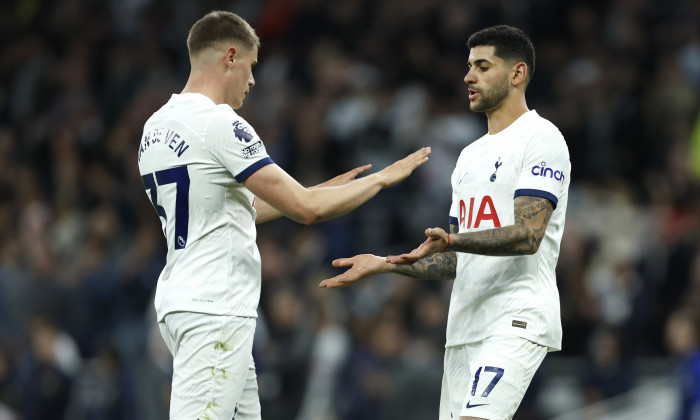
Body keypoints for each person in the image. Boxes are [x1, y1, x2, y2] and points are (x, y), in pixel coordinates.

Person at [137, 10, 430, 420]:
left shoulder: (155, 128)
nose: (253, 81)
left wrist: (320, 189)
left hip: (184, 299)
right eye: (252, 67)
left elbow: (234, 211)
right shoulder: (221, 123)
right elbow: (307, 211)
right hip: (215, 309)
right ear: (231, 57)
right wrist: (382, 178)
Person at [320, 25, 570, 420]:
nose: (468, 77)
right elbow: (456, 259)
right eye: (469, 66)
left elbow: (528, 235)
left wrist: (455, 242)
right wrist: (386, 264)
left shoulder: (541, 138)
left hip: (515, 317)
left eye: (483, 67)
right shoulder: (469, 156)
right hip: (464, 328)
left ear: (517, 73)